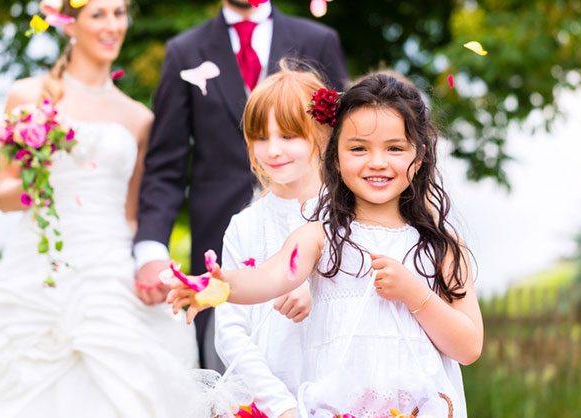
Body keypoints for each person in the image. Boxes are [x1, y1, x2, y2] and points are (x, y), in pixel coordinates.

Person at [0, 1, 198, 416]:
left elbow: (132, 214)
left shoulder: (139, 118)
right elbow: (3, 194)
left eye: (119, 14)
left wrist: (149, 265)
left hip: (109, 267)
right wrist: (38, 181)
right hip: (39, 262)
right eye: (98, 14)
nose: (112, 25)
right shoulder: (28, 96)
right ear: (68, 24)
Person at [169, 72, 483, 417]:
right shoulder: (320, 236)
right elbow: (267, 277)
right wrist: (215, 286)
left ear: (419, 156)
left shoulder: (441, 245)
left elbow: (468, 348)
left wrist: (414, 293)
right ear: (334, 156)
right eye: (359, 148)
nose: (377, 162)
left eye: (394, 148)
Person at [133, 0, 348, 371]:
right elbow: (165, 165)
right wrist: (151, 249)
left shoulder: (318, 40)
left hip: (318, 242)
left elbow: (346, 144)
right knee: (227, 359)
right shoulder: (184, 51)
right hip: (221, 241)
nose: (273, 149)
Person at [215, 61, 331, 418]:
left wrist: (317, 284)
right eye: (261, 137)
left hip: (337, 390)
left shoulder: (347, 215)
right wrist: (280, 406)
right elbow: (230, 329)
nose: (273, 150)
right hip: (267, 398)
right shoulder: (244, 226)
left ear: (321, 133)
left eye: (288, 135)